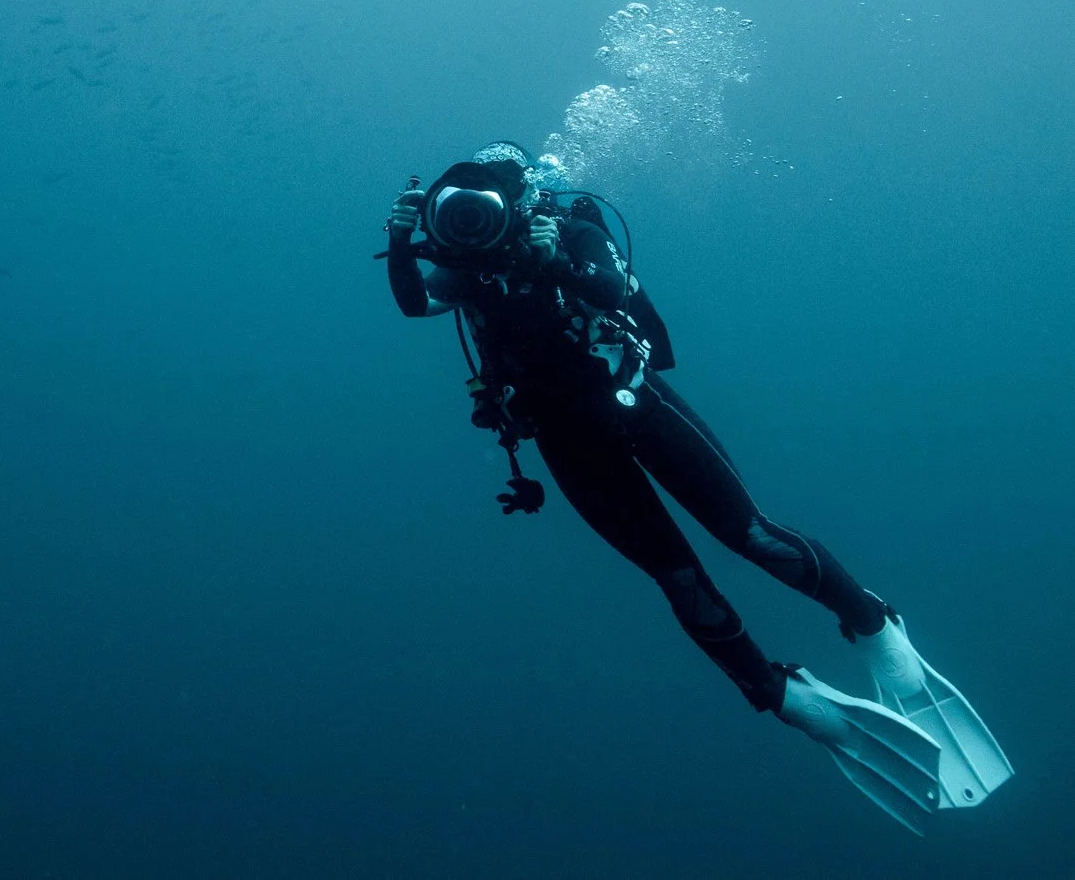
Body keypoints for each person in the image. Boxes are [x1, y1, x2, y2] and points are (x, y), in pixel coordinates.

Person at [383, 143, 1012, 831]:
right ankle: (779, 696)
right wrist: (400, 240)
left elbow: (621, 296)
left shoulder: (572, 233)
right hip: (566, 440)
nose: (476, 223)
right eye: (460, 212)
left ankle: (873, 623)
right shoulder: (464, 271)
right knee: (678, 578)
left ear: (522, 195)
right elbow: (415, 305)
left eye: (490, 201)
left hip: (637, 403)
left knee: (753, 534)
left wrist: (552, 260)